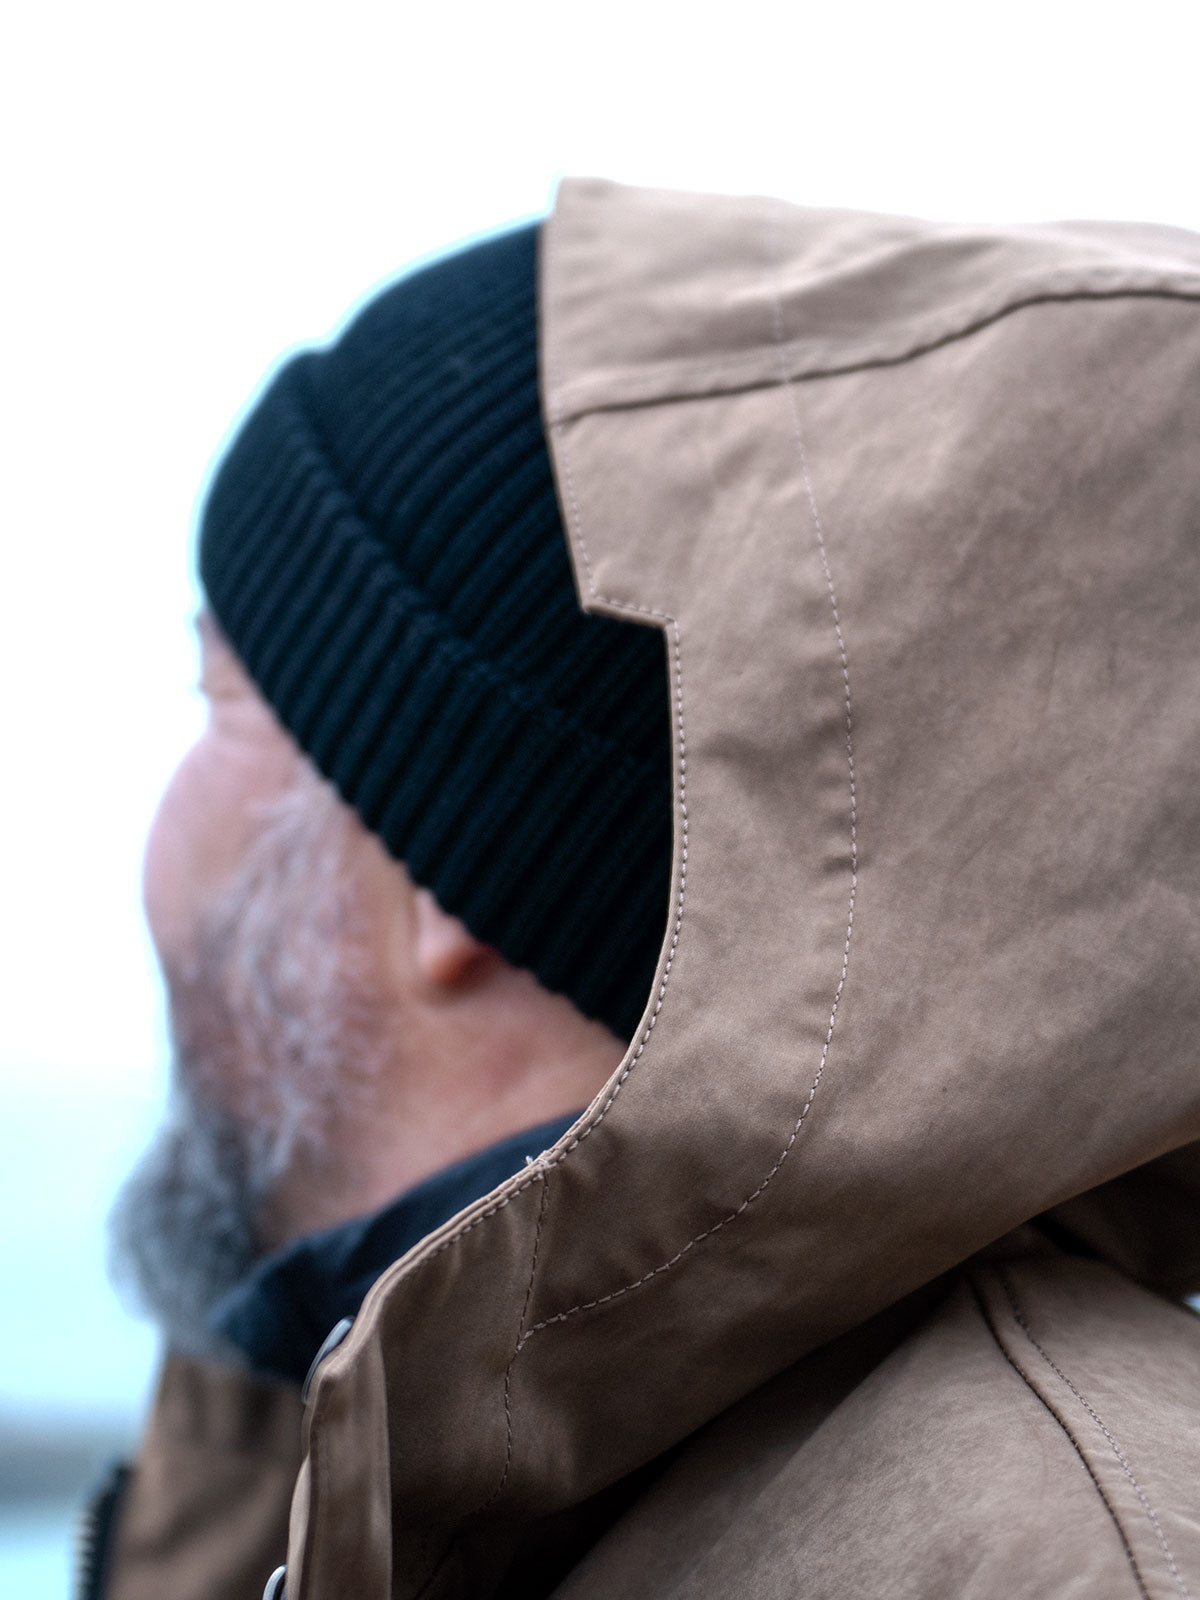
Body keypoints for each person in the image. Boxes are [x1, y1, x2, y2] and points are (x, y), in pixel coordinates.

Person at [90, 179, 1200, 1600]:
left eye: (217, 699)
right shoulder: (343, 1469)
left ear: (447, 864)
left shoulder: (1053, 1570)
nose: (157, 821)